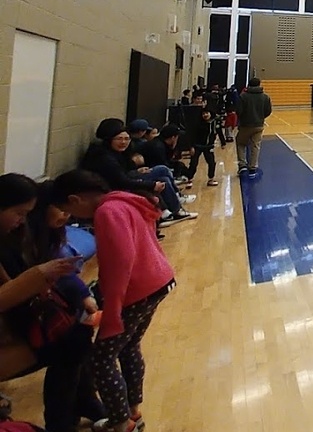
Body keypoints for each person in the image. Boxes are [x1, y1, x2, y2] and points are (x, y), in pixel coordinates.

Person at [49, 171, 176, 432]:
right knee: (129, 347)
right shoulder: (126, 200)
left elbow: (121, 262)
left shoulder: (108, 212)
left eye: (67, 210)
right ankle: (132, 412)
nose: (70, 217)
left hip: (137, 291)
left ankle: (120, 423)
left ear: (75, 199)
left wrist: (113, 308)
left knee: (101, 359)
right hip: (159, 281)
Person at [0, 175, 105, 428]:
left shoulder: (20, 236)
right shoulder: (20, 237)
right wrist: (38, 279)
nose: (21, 219)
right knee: (73, 343)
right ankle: (67, 418)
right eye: (18, 212)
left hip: (21, 319)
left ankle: (79, 410)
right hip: (12, 329)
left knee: (77, 333)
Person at [80, 120, 195, 226]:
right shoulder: (104, 157)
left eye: (126, 139)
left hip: (121, 180)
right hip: (110, 189)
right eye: (119, 138)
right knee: (162, 175)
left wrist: (137, 170)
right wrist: (152, 185)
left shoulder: (115, 152)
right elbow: (121, 181)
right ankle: (172, 209)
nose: (124, 142)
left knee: (162, 173)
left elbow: (124, 170)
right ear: (109, 138)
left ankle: (171, 209)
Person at [235, 78, 272, 176]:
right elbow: (268, 111)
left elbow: (238, 110)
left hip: (245, 125)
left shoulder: (243, 96)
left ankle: (242, 165)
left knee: (241, 144)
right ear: (259, 84)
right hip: (259, 125)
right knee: (255, 146)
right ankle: (253, 167)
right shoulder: (265, 97)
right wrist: (260, 117)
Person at [185, 105, 219, 187]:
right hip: (197, 146)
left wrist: (223, 143)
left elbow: (219, 132)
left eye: (207, 113)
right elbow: (192, 135)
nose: (205, 115)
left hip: (209, 147)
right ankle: (189, 179)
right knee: (193, 163)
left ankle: (211, 179)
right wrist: (191, 147)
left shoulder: (214, 123)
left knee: (211, 163)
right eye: (203, 113)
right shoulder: (197, 124)